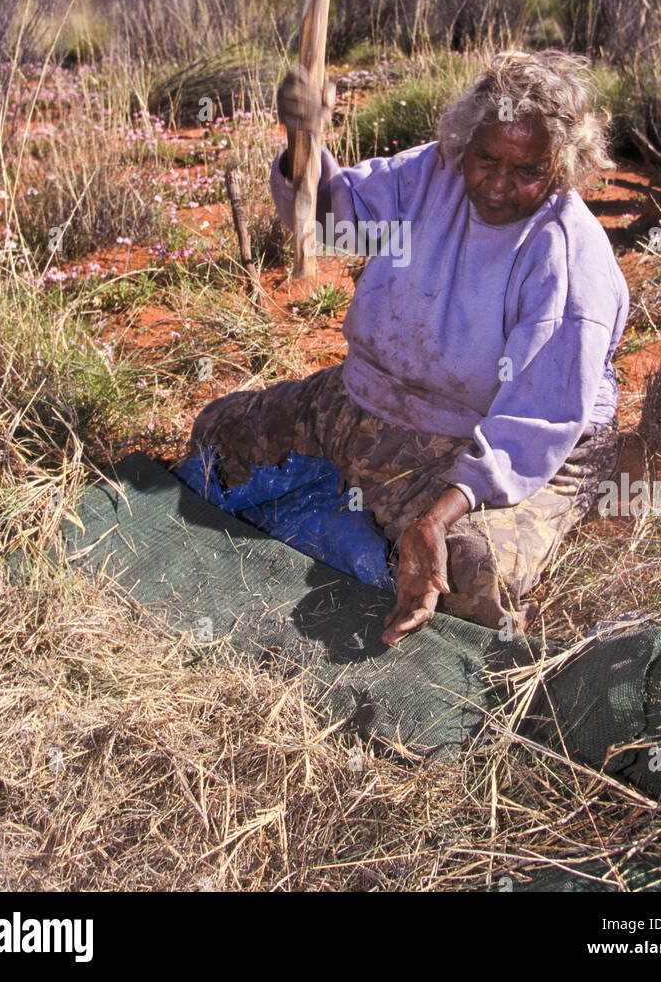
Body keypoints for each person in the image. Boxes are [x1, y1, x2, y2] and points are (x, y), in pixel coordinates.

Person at [190, 50, 629, 646]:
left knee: (469, 572)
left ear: (564, 166)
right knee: (220, 434)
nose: (499, 184)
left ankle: (561, 505)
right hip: (368, 399)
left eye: (527, 169)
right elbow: (329, 222)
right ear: (463, 144)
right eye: (485, 159)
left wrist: (442, 513)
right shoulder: (432, 175)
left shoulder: (568, 258)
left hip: (497, 440)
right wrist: (301, 137)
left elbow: (537, 418)